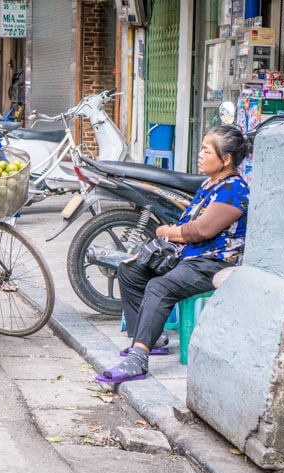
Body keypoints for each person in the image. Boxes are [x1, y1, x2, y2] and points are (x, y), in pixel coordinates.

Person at [99, 125, 250, 383]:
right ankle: (149, 338)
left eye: (206, 151)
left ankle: (138, 359)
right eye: (201, 149)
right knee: (131, 270)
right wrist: (163, 240)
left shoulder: (234, 190)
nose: (200, 155)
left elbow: (201, 230)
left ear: (226, 160)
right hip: (189, 256)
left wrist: (166, 232)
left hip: (214, 262)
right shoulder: (209, 183)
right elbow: (189, 229)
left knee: (160, 287)